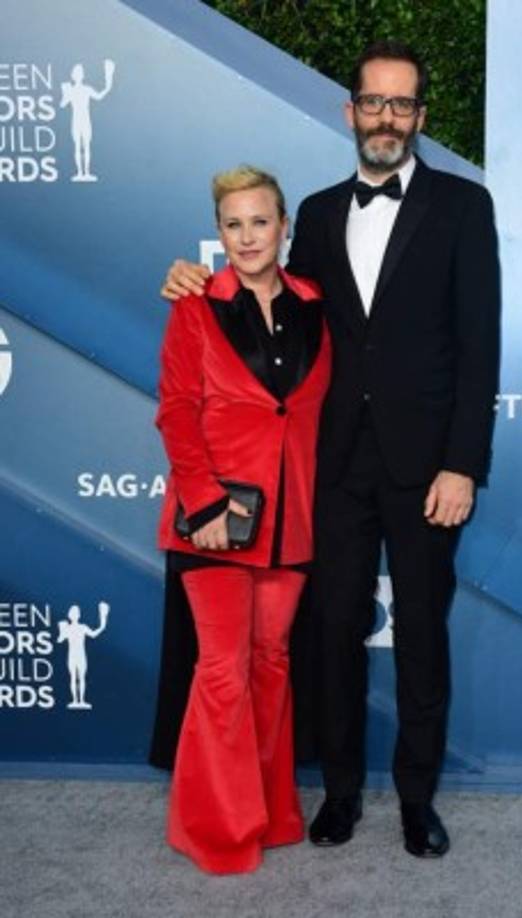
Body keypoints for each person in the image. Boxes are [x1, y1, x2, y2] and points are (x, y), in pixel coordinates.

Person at [161, 40, 500, 859]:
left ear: (420, 116)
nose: (386, 118)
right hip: (332, 469)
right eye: (373, 103)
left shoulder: (463, 206)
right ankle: (340, 794)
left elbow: (479, 343)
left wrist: (463, 464)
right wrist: (191, 279)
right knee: (332, 633)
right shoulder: (310, 213)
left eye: (402, 104)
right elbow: (272, 301)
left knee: (422, 634)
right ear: (349, 111)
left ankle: (417, 801)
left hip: (427, 472)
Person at [156, 165, 331, 874]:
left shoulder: (317, 303)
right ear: (219, 232)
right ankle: (218, 831)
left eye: (262, 221)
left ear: (284, 227)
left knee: (271, 666)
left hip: (291, 521)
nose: (249, 236)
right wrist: (201, 504)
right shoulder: (195, 304)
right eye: (235, 224)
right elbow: (176, 410)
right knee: (224, 671)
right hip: (215, 521)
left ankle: (270, 813)